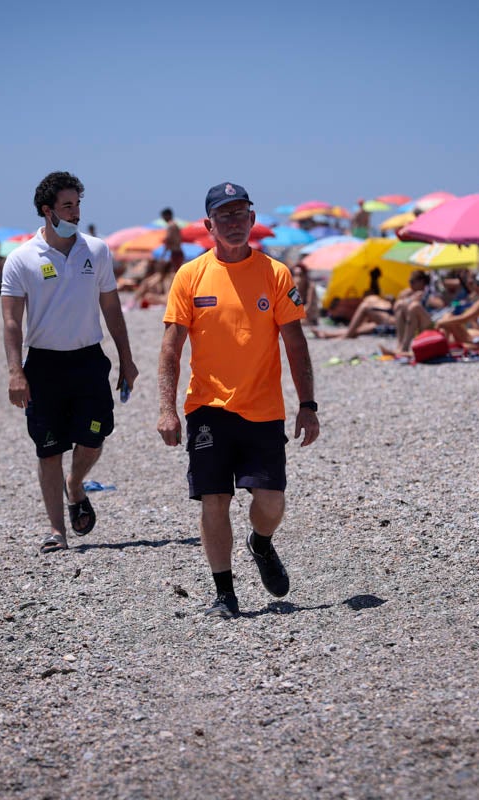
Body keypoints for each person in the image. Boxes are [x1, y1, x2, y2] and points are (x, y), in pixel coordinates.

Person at [157, 181, 319, 618]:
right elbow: (171, 349)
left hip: (264, 409)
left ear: (252, 218)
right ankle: (224, 594)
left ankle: (261, 542)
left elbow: (296, 345)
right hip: (207, 409)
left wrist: (308, 405)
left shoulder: (275, 273)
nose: (233, 222)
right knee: (215, 499)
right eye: (223, 216)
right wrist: (166, 409)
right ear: (209, 225)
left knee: (271, 503)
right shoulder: (190, 276)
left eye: (240, 213)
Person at [1, 171, 138, 555]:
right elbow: (11, 320)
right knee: (48, 449)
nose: (75, 212)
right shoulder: (21, 259)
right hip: (43, 365)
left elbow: (111, 308)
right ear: (47, 211)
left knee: (94, 436)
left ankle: (75, 485)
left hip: (88, 360)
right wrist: (15, 371)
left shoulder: (96, 250)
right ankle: (56, 530)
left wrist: (126, 358)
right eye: (67, 206)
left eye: (77, 205)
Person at [435, 269, 479, 349]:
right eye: (476, 284)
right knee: (448, 317)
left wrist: (442, 322)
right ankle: (441, 347)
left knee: (447, 322)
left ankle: (440, 348)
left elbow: (464, 318)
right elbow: (455, 304)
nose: (476, 287)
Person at [161, 207, 185, 274]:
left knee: (175, 272)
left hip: (175, 252)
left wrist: (164, 252)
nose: (163, 219)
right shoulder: (175, 225)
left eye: (163, 216)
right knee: (177, 271)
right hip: (178, 251)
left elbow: (168, 239)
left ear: (167, 215)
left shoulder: (170, 225)